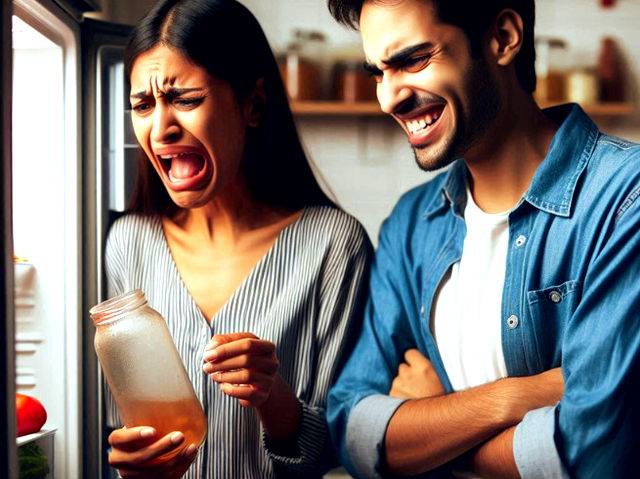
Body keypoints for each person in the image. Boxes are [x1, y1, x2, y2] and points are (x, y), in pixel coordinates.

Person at [326, 0, 640, 477]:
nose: (388, 98)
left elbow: (593, 454)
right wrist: (511, 399)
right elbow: (352, 430)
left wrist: (434, 422)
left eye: (413, 60)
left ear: (503, 39)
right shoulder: (411, 225)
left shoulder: (624, 199)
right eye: (377, 72)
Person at [102, 0, 372, 477]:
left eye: (185, 99)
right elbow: (124, 422)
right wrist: (129, 459)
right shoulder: (128, 243)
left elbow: (342, 444)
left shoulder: (334, 244)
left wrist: (275, 396)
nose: (161, 129)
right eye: (143, 105)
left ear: (253, 104)